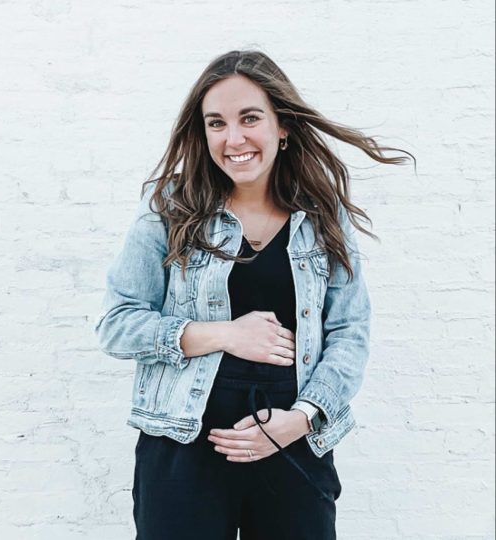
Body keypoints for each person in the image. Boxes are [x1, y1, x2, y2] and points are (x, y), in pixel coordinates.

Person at [93, 50, 414, 540]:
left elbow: (349, 332)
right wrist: (225, 334)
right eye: (216, 123)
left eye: (249, 118)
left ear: (282, 126)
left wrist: (300, 420)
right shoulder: (169, 207)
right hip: (184, 447)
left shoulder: (322, 214)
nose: (233, 138)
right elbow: (117, 324)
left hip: (291, 444)